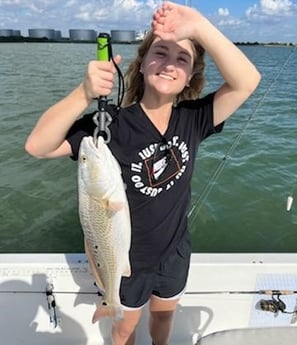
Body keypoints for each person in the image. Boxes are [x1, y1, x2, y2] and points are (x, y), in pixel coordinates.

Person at [25, 2, 261, 345]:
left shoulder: (193, 120)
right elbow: (39, 146)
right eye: (160, 53)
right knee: (123, 329)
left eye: (182, 59)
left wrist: (197, 27)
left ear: (191, 75)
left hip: (175, 252)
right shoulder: (112, 127)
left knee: (163, 324)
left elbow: (246, 81)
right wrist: (84, 93)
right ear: (142, 63)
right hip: (125, 259)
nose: (169, 64)